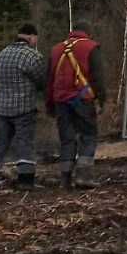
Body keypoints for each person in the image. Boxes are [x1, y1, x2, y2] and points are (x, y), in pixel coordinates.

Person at [0, 23, 48, 189]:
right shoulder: (32, 56)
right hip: (24, 108)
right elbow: (42, 81)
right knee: (24, 142)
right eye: (35, 38)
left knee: (0, 141)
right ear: (32, 36)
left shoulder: (2, 54)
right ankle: (26, 180)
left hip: (3, 108)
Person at [47, 25, 108, 188]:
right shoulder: (91, 47)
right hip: (82, 99)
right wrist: (102, 99)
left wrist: (50, 105)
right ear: (87, 33)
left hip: (60, 100)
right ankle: (83, 176)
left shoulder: (56, 49)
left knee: (67, 139)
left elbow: (49, 80)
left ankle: (65, 179)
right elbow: (97, 77)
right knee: (88, 136)